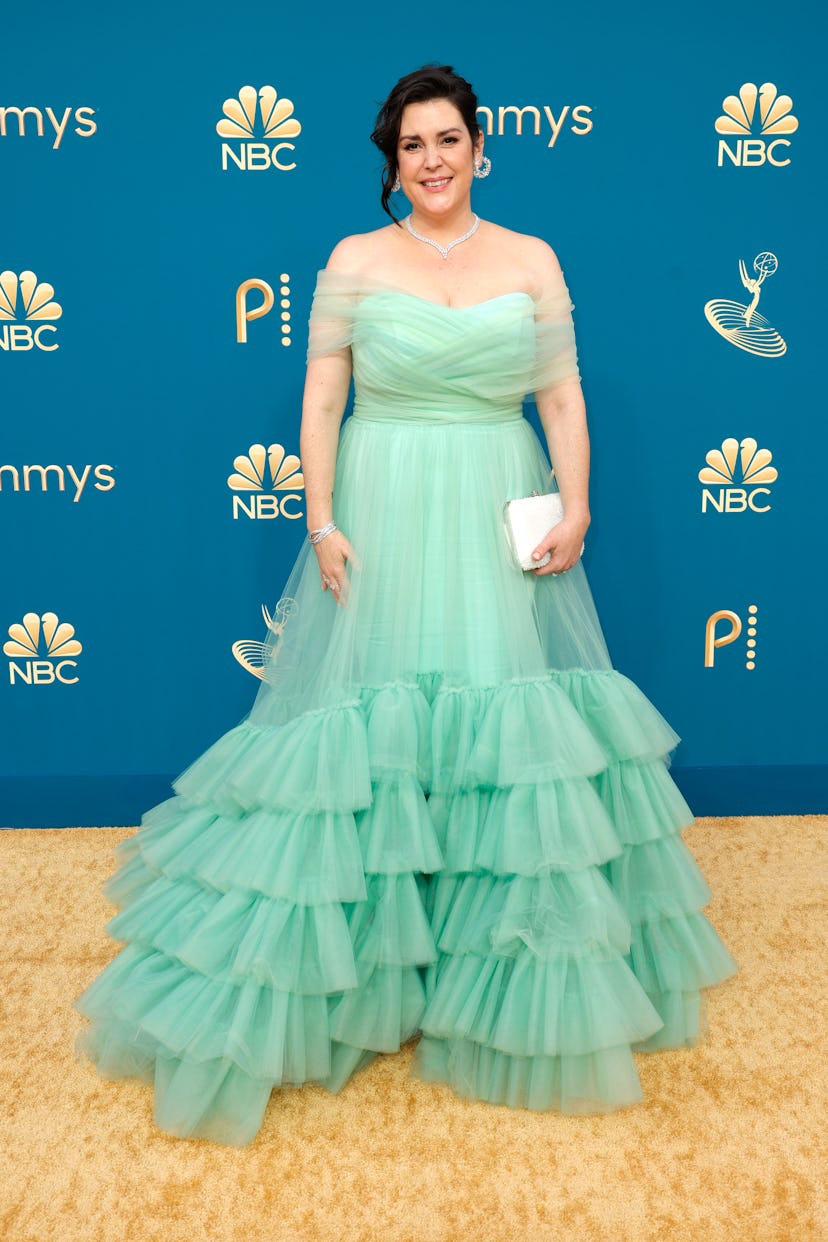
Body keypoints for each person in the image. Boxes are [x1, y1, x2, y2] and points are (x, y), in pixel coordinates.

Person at [72, 64, 738, 1146]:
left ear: (482, 146)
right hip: (381, 499)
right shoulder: (354, 260)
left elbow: (558, 392)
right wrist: (323, 521)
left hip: (491, 497)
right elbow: (324, 395)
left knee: (498, 728)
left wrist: (578, 502)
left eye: (447, 139)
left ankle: (492, 977)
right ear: (394, 162)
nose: (430, 160)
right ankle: (362, 981)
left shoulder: (531, 258)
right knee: (370, 729)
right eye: (410, 146)